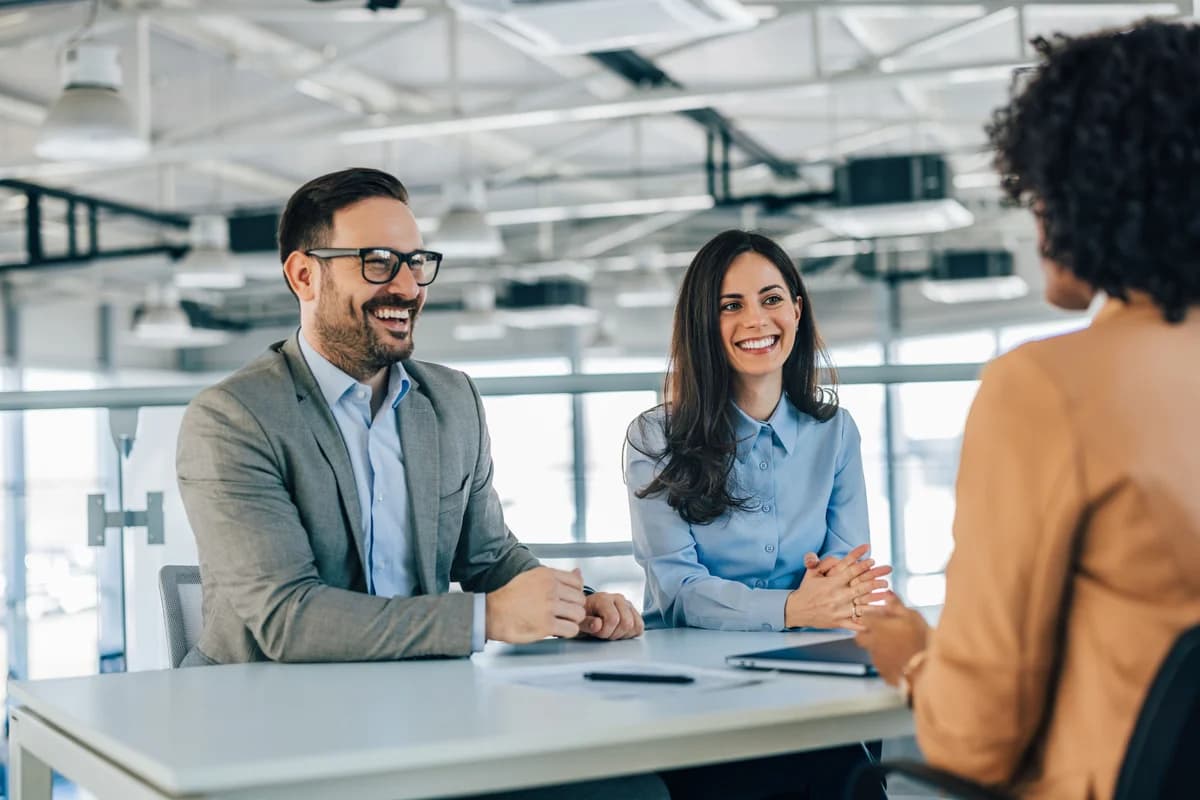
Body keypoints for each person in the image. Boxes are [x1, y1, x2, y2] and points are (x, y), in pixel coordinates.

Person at [855, 20, 1200, 800]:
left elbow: (974, 741)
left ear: (1092, 193)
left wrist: (914, 656)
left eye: (1042, 184)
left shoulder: (1049, 388)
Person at [176, 167, 644, 665]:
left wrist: (574, 605)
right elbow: (288, 619)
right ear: (304, 275)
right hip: (265, 711)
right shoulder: (233, 419)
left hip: (419, 696)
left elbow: (487, 556)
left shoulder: (451, 399)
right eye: (378, 262)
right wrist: (485, 618)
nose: (408, 287)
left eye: (415, 262)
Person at [624, 229, 891, 799]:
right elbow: (678, 589)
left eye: (771, 299)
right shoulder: (655, 438)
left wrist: (827, 594)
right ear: (704, 323)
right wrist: (795, 605)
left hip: (811, 680)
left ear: (796, 310)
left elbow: (847, 572)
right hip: (699, 697)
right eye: (731, 305)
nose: (756, 320)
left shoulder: (835, 433)